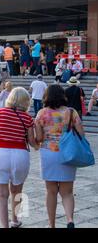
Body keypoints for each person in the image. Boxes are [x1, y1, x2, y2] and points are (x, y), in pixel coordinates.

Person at [0, 87, 38, 228]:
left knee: (1, 194)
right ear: (26, 101)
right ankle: (15, 220)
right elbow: (31, 141)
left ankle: (5, 226)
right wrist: (39, 145)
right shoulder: (27, 118)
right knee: (17, 191)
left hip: (0, 153)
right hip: (20, 154)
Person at [35, 85, 85, 228]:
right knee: (67, 192)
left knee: (51, 191)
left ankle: (52, 225)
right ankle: (69, 220)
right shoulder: (71, 112)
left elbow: (38, 137)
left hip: (49, 154)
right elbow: (81, 134)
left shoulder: (41, 113)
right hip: (67, 154)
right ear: (63, 95)